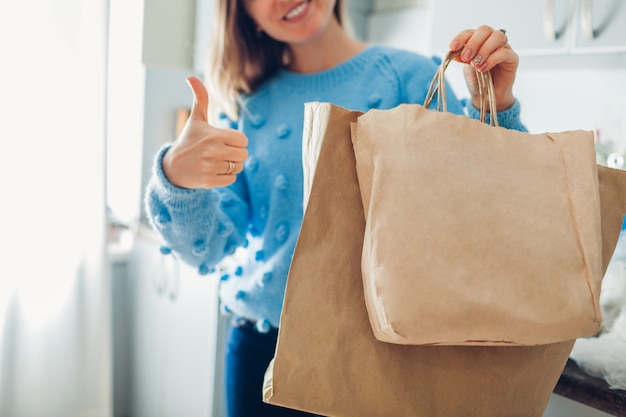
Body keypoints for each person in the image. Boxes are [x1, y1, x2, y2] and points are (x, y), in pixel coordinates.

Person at [144, 0, 527, 416]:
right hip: (262, 352)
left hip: (387, 354)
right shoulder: (242, 104)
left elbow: (482, 211)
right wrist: (175, 179)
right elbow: (208, 248)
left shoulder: (411, 77)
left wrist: (496, 106)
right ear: (241, 13)